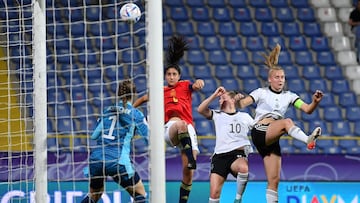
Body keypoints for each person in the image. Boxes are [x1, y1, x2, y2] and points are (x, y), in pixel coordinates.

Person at [235, 44, 323, 203]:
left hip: (272, 138)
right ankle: (308, 140)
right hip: (260, 131)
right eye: (277, 77)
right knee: (287, 122)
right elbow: (242, 104)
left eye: (283, 77)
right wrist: (237, 99)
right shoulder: (261, 92)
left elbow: (307, 109)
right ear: (270, 79)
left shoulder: (290, 96)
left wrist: (315, 102)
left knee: (274, 180)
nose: (280, 80)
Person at [133, 35, 205, 203]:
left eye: (174, 74)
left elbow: (194, 86)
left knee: (189, 174)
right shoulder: (161, 90)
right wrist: (129, 109)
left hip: (188, 130)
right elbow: (144, 99)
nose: (171, 77)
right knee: (180, 125)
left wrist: (199, 83)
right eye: (168, 74)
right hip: (170, 128)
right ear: (165, 76)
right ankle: (191, 157)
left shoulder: (185, 85)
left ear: (179, 76)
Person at [81, 79, 149, 203]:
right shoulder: (136, 114)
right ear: (134, 95)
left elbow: (94, 136)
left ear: (118, 94)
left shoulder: (107, 110)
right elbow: (149, 138)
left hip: (97, 159)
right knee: (140, 194)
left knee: (94, 196)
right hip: (118, 160)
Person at [197, 87, 254, 203]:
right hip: (219, 157)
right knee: (214, 194)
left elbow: (258, 131)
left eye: (223, 97)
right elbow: (200, 109)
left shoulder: (245, 117)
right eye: (219, 99)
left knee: (243, 168)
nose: (220, 100)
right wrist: (214, 94)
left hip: (237, 154)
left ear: (233, 100)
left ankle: (238, 199)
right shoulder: (217, 115)